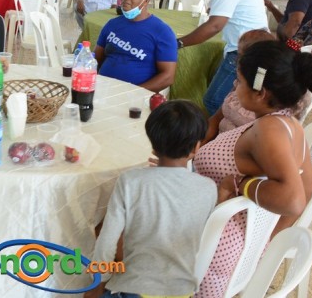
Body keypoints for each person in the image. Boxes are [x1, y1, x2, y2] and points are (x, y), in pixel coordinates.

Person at [193, 40, 312, 298]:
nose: (235, 86)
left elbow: (294, 200)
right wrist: (263, 244)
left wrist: (243, 184)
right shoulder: (290, 124)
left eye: (239, 81)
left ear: (260, 93)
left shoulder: (269, 130)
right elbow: (308, 188)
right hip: (231, 244)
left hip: (213, 249)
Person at [88, 100, 216, 298]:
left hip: (134, 289)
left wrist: (97, 285)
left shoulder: (130, 181)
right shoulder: (208, 188)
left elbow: (106, 241)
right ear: (196, 147)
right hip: (181, 291)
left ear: (153, 147)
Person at [176, 0, 267, 115]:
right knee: (236, 100)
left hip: (243, 51)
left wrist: (179, 43)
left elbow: (215, 25)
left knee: (213, 100)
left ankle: (221, 132)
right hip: (259, 46)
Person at [201, 30, 312, 144]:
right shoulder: (246, 86)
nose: (238, 62)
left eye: (242, 57)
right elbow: (216, 119)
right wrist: (200, 145)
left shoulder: (272, 121)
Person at [94, 0, 177, 93]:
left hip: (136, 97)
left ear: (146, 0)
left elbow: (167, 77)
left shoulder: (162, 32)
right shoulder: (112, 24)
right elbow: (96, 59)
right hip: (103, 90)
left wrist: (133, 93)